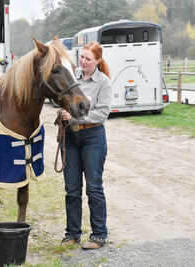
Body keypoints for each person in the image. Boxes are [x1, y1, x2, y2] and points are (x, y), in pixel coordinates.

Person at [60, 41, 112, 250]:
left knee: (94, 187)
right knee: (72, 189)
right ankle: (72, 233)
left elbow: (102, 113)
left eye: (88, 59)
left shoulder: (103, 82)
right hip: (71, 139)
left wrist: (73, 119)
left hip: (93, 137)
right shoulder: (73, 78)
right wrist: (63, 114)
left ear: (97, 61)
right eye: (81, 57)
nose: (82, 61)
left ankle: (99, 234)